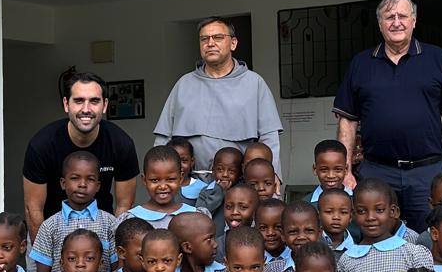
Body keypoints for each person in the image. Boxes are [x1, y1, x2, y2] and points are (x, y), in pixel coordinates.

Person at [332, 0, 442, 231]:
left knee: (432, 237)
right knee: (375, 237)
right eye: (389, 17)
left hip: (427, 172)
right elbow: (348, 121)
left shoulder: (436, 58)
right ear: (380, 24)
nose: (396, 22)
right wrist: (345, 170)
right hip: (376, 171)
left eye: (402, 16)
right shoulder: (361, 63)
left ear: (414, 21)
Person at [153, 17, 284, 176]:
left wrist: (273, 174)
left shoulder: (254, 83)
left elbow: (269, 138)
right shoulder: (183, 84)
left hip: (238, 185)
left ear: (233, 43)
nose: (210, 43)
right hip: (189, 182)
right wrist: (158, 174)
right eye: (204, 39)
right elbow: (163, 138)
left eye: (218, 37)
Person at [22, 71, 139, 239]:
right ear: (66, 104)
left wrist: (115, 252)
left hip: (101, 236)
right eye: (78, 101)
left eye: (94, 101)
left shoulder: (121, 143)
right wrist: (45, 255)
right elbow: (33, 209)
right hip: (48, 233)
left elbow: (124, 206)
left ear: (104, 105)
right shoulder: (41, 145)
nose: (86, 109)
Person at [30, 151, 119, 272]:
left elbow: (117, 270)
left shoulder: (111, 223)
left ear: (98, 185)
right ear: (63, 183)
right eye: (75, 178)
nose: (82, 184)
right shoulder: (50, 226)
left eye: (90, 179)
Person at [121, 145, 205, 227]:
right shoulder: (131, 220)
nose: (163, 186)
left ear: (181, 178)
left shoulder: (195, 216)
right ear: (144, 180)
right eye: (155, 180)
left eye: (170, 179)